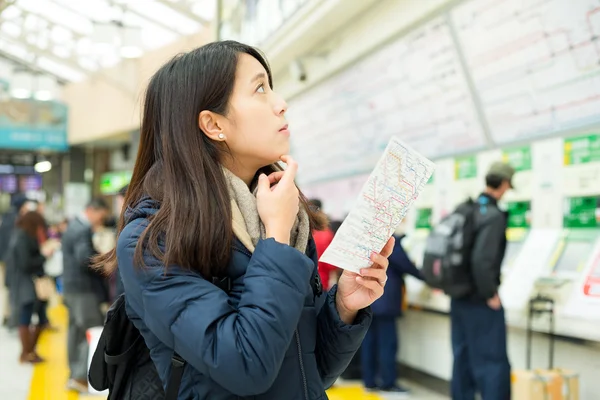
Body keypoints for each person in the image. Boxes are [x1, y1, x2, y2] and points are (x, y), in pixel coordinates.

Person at [93, 40, 395, 399]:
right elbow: (247, 367)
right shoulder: (153, 240)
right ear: (213, 124)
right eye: (260, 89)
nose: (280, 103)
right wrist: (276, 238)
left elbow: (308, 374)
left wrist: (344, 306)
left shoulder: (284, 220)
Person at [451, 161, 514, 400]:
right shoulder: (494, 216)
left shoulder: (466, 209)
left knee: (463, 356)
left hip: (458, 297)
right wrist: (491, 294)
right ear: (505, 183)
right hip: (480, 299)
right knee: (492, 360)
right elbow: (482, 260)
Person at [361, 229, 424, 394]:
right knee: (387, 343)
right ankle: (388, 382)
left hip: (368, 299)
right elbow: (405, 264)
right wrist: (427, 277)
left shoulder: (368, 236)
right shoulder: (390, 240)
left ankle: (369, 380)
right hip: (386, 300)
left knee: (369, 342)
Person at [61, 198, 110, 392]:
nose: (100, 220)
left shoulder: (73, 226)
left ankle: (74, 372)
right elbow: (84, 257)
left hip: (72, 288)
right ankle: (81, 376)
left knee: (75, 330)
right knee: (91, 330)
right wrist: (103, 262)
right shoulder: (82, 229)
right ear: (91, 210)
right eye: (100, 216)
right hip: (84, 289)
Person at [5, 211, 52, 363]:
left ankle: (29, 351)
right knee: (26, 317)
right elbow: (26, 263)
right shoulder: (22, 237)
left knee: (37, 316)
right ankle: (27, 352)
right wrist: (44, 256)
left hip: (28, 283)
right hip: (27, 283)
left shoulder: (21, 235)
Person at [309, 199, 339, 291]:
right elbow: (331, 264)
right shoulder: (326, 234)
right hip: (323, 282)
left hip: (305, 282)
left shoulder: (304, 231)